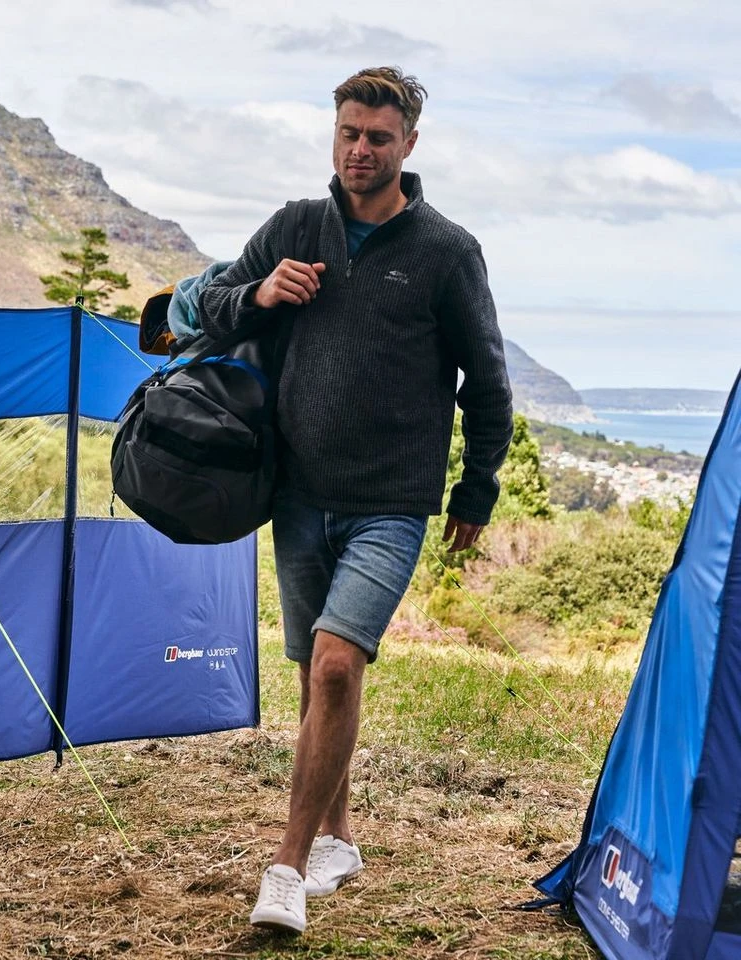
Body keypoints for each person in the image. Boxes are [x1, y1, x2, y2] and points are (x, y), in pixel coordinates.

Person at [199, 66, 514, 934]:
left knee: (337, 664)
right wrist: (261, 292)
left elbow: (488, 384)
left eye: (378, 137)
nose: (360, 150)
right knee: (319, 675)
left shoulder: (447, 252)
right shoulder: (296, 225)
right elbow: (211, 309)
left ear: (409, 143)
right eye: (348, 132)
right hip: (298, 493)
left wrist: (476, 489)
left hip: (390, 502)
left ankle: (288, 868)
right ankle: (339, 838)